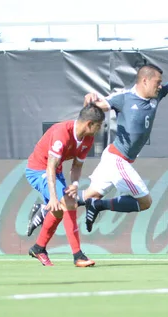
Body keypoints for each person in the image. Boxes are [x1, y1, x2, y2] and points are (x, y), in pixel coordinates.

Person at [26, 49, 168, 237]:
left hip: (115, 158)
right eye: (157, 82)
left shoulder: (157, 94)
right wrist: (89, 100)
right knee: (145, 202)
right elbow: (91, 112)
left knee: (87, 195)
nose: (160, 86)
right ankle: (97, 206)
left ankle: (44, 209)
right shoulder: (123, 99)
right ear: (145, 81)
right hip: (117, 160)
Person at [26, 104, 105, 267]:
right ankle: (78, 256)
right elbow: (50, 167)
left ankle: (38, 247)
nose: (99, 130)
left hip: (57, 171)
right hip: (38, 169)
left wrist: (75, 184)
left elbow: (77, 166)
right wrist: (53, 197)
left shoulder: (88, 139)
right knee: (68, 203)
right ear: (89, 124)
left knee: (60, 211)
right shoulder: (62, 133)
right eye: (98, 126)